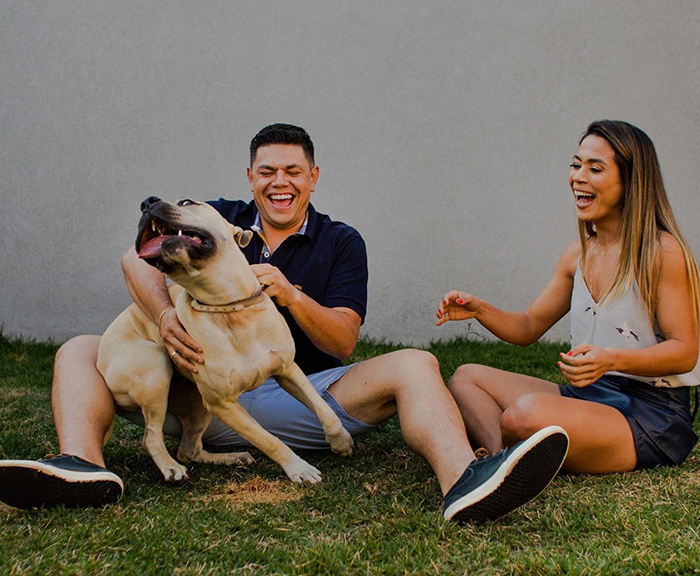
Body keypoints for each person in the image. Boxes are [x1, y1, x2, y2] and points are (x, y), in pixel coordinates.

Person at [0, 124, 568, 522]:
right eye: (267, 171)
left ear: (314, 176)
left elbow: (344, 339)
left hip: (306, 392)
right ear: (249, 177)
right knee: (79, 348)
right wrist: (166, 316)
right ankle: (82, 467)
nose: (280, 182)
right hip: (202, 394)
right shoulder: (219, 220)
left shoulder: (341, 242)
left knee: (418, 364)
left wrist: (291, 296)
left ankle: (464, 479)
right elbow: (134, 255)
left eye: (293, 171)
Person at [437, 120, 699, 474]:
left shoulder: (661, 253)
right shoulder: (576, 256)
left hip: (649, 411)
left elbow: (685, 351)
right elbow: (529, 326)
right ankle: (501, 467)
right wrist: (478, 308)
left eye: (595, 168)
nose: (579, 177)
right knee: (466, 379)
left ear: (631, 180)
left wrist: (611, 360)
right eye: (576, 165)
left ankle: (502, 463)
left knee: (523, 417)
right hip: (589, 397)